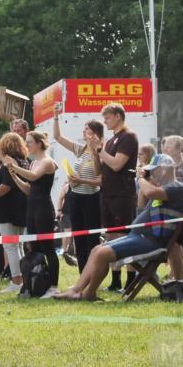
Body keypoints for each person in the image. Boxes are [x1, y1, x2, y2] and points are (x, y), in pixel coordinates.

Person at [57, 154, 183, 300]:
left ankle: (89, 293)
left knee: (102, 254)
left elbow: (150, 192)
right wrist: (146, 182)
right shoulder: (161, 188)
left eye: (154, 170)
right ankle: (77, 290)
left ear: (164, 170)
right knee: (96, 250)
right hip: (139, 236)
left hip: (152, 241)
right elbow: (140, 205)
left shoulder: (176, 188)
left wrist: (140, 178)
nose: (151, 174)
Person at [3, 131, 60, 298]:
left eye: (29, 142)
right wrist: (14, 175)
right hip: (32, 207)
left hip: (43, 208)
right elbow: (29, 188)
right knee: (33, 247)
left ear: (39, 143)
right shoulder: (33, 163)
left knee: (48, 248)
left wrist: (14, 166)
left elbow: (34, 177)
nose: (26, 145)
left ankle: (54, 286)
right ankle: (36, 283)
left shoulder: (47, 162)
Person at [52, 102, 104, 273]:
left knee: (92, 240)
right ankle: (83, 274)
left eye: (86, 130)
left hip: (91, 199)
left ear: (95, 133)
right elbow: (58, 137)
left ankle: (93, 274)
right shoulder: (80, 149)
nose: (83, 132)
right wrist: (56, 116)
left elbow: (99, 178)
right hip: (75, 197)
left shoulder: (101, 150)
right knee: (79, 238)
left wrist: (81, 180)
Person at [97, 102, 139, 292]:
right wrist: (94, 149)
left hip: (123, 194)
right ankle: (116, 281)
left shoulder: (128, 137)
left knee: (125, 237)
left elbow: (116, 165)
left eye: (107, 117)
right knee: (111, 237)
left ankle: (131, 279)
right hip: (107, 194)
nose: (104, 121)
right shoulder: (110, 140)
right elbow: (102, 168)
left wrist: (99, 150)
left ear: (117, 116)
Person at [0, 133, 29, 293]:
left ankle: (17, 281)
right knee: (18, 246)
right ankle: (23, 278)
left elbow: (6, 186)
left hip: (7, 210)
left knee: (11, 246)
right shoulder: (24, 162)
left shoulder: (9, 164)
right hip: (21, 208)